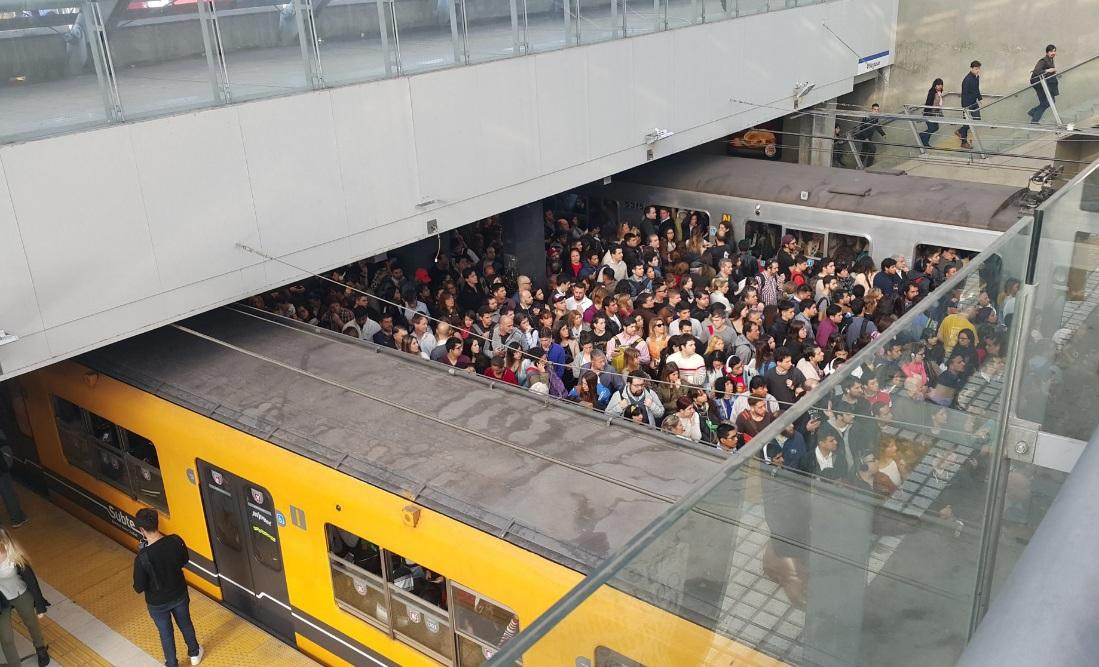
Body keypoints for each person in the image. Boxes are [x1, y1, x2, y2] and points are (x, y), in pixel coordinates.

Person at [133, 507, 203, 667]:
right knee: (185, 623)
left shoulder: (142, 557)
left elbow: (139, 587)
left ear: (142, 529)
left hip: (158, 604)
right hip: (178, 594)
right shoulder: (175, 541)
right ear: (157, 523)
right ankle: (194, 654)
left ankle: (172, 664)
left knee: (166, 634)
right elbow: (184, 560)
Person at [0, 528, 49, 667]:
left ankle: (41, 649)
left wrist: (40, 606)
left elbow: (32, 581)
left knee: (31, 623)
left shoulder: (14, 556)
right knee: (6, 638)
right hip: (1, 601)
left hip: (20, 593)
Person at [1028, 45, 1059, 124]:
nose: (1053, 53)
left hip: (1044, 84)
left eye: (1054, 51)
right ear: (1047, 52)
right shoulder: (1043, 60)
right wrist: (1048, 70)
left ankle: (1033, 112)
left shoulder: (1050, 60)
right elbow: (1036, 70)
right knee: (1047, 102)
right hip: (1040, 84)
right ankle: (1034, 119)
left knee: (1047, 102)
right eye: (1051, 51)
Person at [957, 60, 982, 149]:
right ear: (971, 68)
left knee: (977, 119)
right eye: (976, 69)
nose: (977, 70)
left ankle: (960, 131)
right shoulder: (967, 80)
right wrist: (965, 108)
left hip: (974, 103)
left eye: (978, 69)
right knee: (967, 123)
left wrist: (980, 99)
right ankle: (963, 142)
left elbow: (976, 89)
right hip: (967, 104)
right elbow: (964, 94)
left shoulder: (976, 77)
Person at [854, 103, 887, 167]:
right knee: (873, 149)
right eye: (875, 109)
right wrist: (865, 138)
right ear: (871, 109)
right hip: (864, 136)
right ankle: (868, 166)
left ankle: (859, 165)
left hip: (869, 137)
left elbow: (877, 127)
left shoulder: (875, 118)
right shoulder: (867, 117)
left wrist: (883, 134)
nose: (876, 111)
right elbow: (862, 128)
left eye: (877, 110)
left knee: (864, 151)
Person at [919, 78, 944, 147]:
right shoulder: (932, 93)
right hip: (930, 114)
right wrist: (926, 115)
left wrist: (940, 113)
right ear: (935, 85)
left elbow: (939, 104)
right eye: (938, 85)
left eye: (941, 85)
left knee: (935, 127)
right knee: (932, 128)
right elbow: (928, 104)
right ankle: (925, 141)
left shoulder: (939, 92)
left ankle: (922, 135)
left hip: (935, 114)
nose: (940, 86)